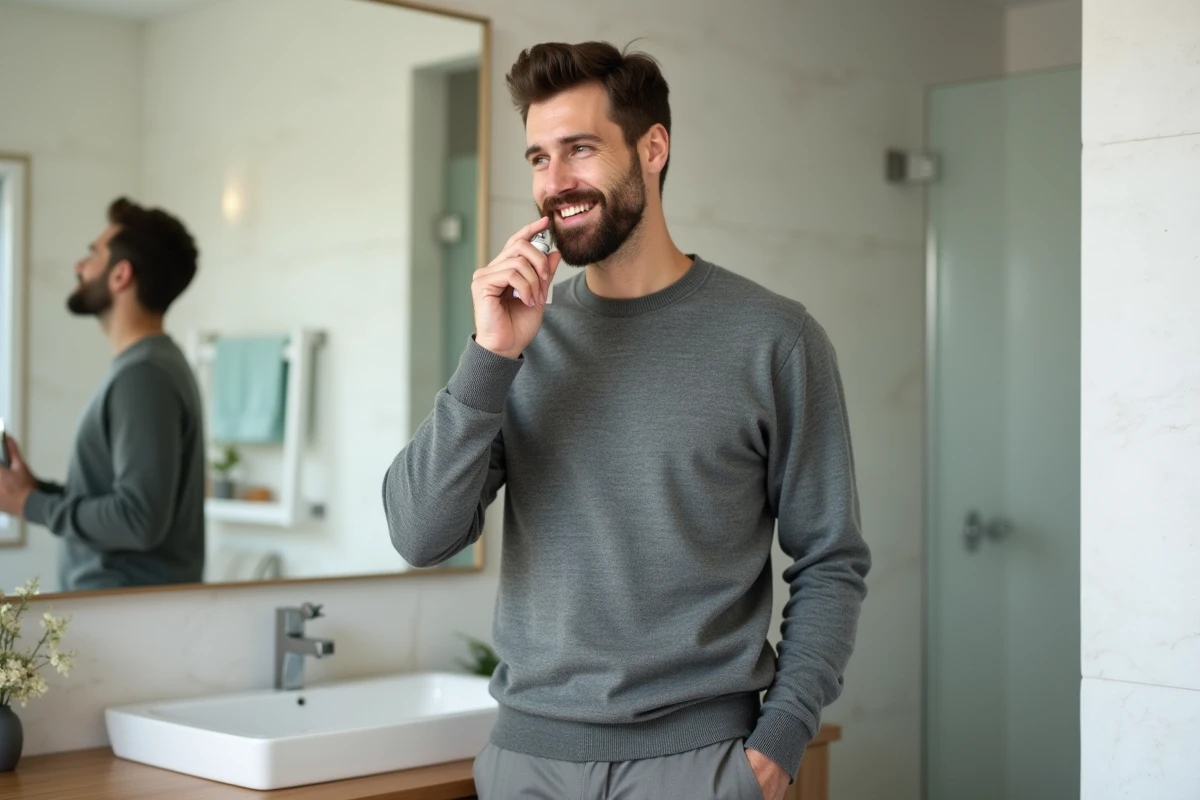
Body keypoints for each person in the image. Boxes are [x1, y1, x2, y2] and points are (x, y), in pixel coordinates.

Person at [383, 42, 871, 800]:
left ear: (652, 147)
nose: (555, 182)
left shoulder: (775, 339)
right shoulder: (517, 341)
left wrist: (779, 741)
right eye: (539, 157)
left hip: (701, 763)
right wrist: (490, 355)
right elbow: (420, 535)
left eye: (580, 149)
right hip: (525, 763)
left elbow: (831, 558)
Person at [0, 197, 206, 592]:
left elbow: (138, 520)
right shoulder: (149, 368)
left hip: (128, 619)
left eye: (92, 254)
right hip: (129, 615)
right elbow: (124, 502)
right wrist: (34, 490)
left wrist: (27, 504)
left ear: (120, 275)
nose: (80, 266)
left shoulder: (144, 376)